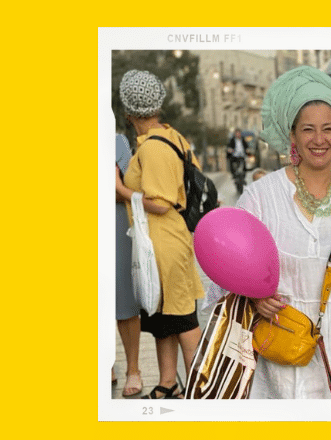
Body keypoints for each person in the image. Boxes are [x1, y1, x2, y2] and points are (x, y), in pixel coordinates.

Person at [206, 66, 331, 399]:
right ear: (292, 135)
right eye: (308, 129)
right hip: (272, 349)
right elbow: (227, 266)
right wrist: (254, 296)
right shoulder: (261, 197)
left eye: (328, 129)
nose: (318, 140)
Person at [114, 70, 204, 399]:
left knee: (183, 321)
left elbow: (160, 204)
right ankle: (168, 384)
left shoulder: (152, 148)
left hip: (165, 246)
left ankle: (201, 393)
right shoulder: (173, 135)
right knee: (164, 322)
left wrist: (121, 188)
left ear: (128, 112)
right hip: (166, 244)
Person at [115, 132, 143, 397]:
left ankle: (133, 368)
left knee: (123, 299)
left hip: (114, 225)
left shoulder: (116, 142)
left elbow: (126, 189)